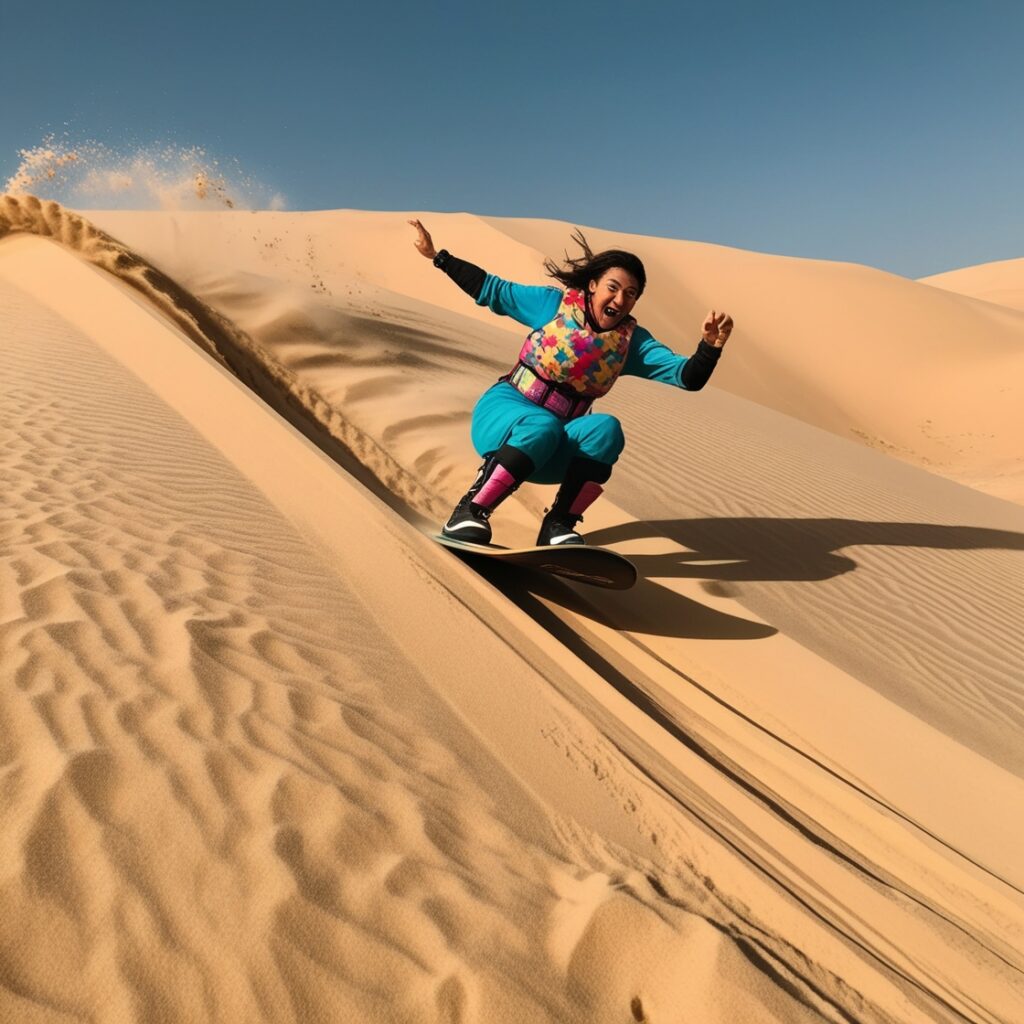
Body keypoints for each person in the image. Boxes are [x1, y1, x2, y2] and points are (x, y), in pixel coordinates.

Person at [409, 219, 733, 546]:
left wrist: (711, 347)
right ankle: (470, 512)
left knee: (606, 429)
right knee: (541, 425)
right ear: (592, 285)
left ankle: (557, 526)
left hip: (553, 445)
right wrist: (438, 256)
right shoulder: (553, 305)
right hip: (504, 418)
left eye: (630, 294)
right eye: (613, 287)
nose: (620, 300)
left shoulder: (631, 341)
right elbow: (491, 289)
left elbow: (687, 377)